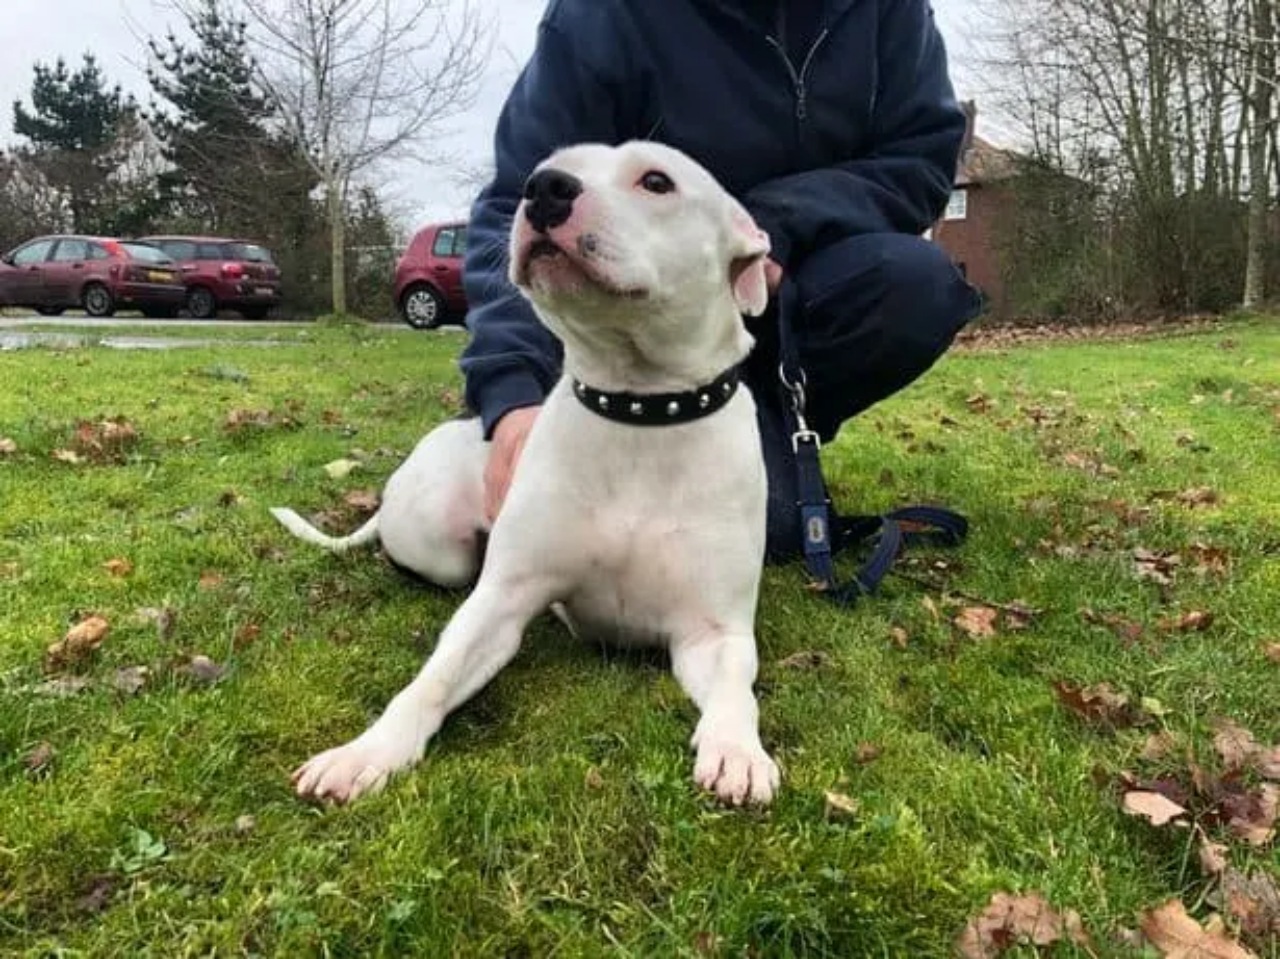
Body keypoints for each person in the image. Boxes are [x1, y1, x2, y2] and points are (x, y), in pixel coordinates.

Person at [460, 0, 983, 560]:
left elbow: (921, 159)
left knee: (917, 283)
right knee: (760, 534)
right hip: (635, 342)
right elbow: (520, 199)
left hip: (786, 298)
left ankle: (768, 428)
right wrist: (513, 395)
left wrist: (776, 223)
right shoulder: (599, 17)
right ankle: (611, 427)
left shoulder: (891, 12)